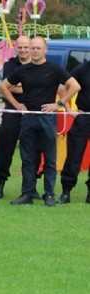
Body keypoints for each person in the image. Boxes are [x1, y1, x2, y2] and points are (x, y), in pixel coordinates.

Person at [0, 36, 80, 206]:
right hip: (28, 118)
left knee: (50, 159)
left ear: (45, 50)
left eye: (38, 48)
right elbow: (3, 86)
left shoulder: (54, 69)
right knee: (27, 159)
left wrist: (58, 103)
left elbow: (74, 86)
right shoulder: (23, 70)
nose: (35, 51)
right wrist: (16, 104)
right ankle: (27, 194)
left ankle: (49, 194)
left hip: (47, 118)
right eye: (33, 48)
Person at [0, 35, 31, 201]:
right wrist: (27, 87)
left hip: (32, 112)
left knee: (31, 152)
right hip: (12, 111)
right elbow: (6, 88)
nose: (23, 50)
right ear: (16, 48)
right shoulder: (9, 65)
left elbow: (40, 87)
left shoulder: (38, 65)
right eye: (20, 47)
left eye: (26, 47)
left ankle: (30, 188)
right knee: (4, 149)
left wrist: (19, 86)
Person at [58, 57, 90, 204]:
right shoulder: (82, 68)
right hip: (83, 117)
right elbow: (63, 86)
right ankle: (66, 192)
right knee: (74, 155)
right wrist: (68, 107)